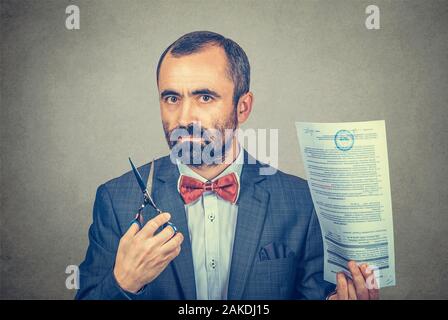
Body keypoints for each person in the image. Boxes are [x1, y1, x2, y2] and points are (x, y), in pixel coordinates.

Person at [76, 31, 379, 300]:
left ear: (243, 107)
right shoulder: (115, 200)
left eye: (204, 97)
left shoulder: (302, 203)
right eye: (171, 98)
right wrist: (123, 284)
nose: (183, 118)